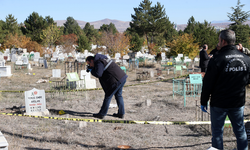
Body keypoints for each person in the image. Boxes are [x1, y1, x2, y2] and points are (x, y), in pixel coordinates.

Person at [200, 29, 249, 150]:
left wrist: (203, 101)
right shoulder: (246, 59)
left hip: (219, 103)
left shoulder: (216, 59)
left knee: (217, 134)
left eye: (219, 40)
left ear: (222, 41)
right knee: (240, 132)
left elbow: (208, 83)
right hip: (238, 102)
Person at [86, 54, 127, 119]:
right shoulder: (102, 59)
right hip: (122, 77)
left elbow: (99, 74)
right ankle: (121, 113)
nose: (89, 65)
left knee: (108, 96)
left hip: (116, 80)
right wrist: (93, 68)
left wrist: (92, 70)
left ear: (91, 60)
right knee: (118, 95)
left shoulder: (99, 62)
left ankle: (102, 114)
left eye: (89, 64)